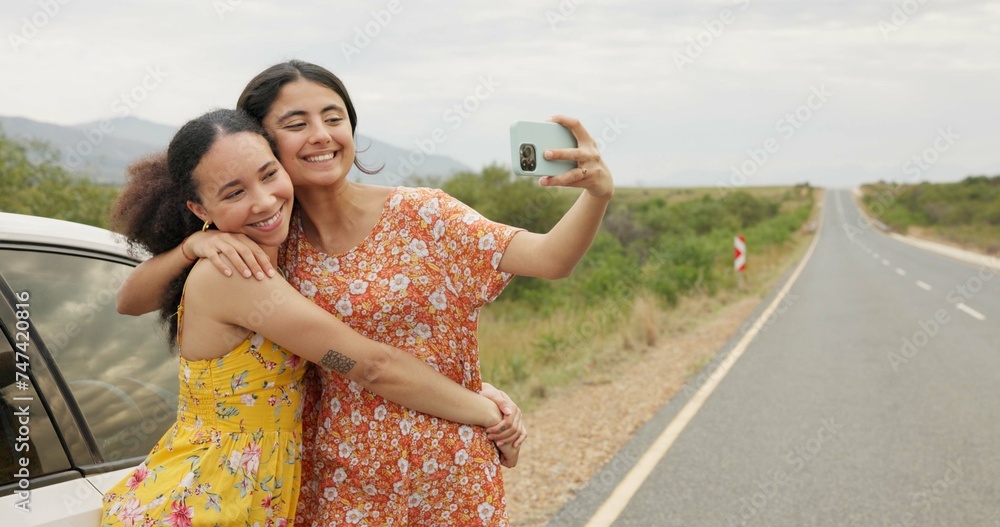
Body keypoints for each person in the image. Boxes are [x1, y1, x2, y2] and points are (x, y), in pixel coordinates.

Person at [117, 59, 613, 526]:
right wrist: (193, 244)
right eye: (295, 124)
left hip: (447, 474)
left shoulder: (425, 216)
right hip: (328, 490)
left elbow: (551, 259)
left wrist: (597, 194)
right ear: (264, 142)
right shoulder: (264, 246)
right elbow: (133, 300)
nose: (320, 135)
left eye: (333, 117)